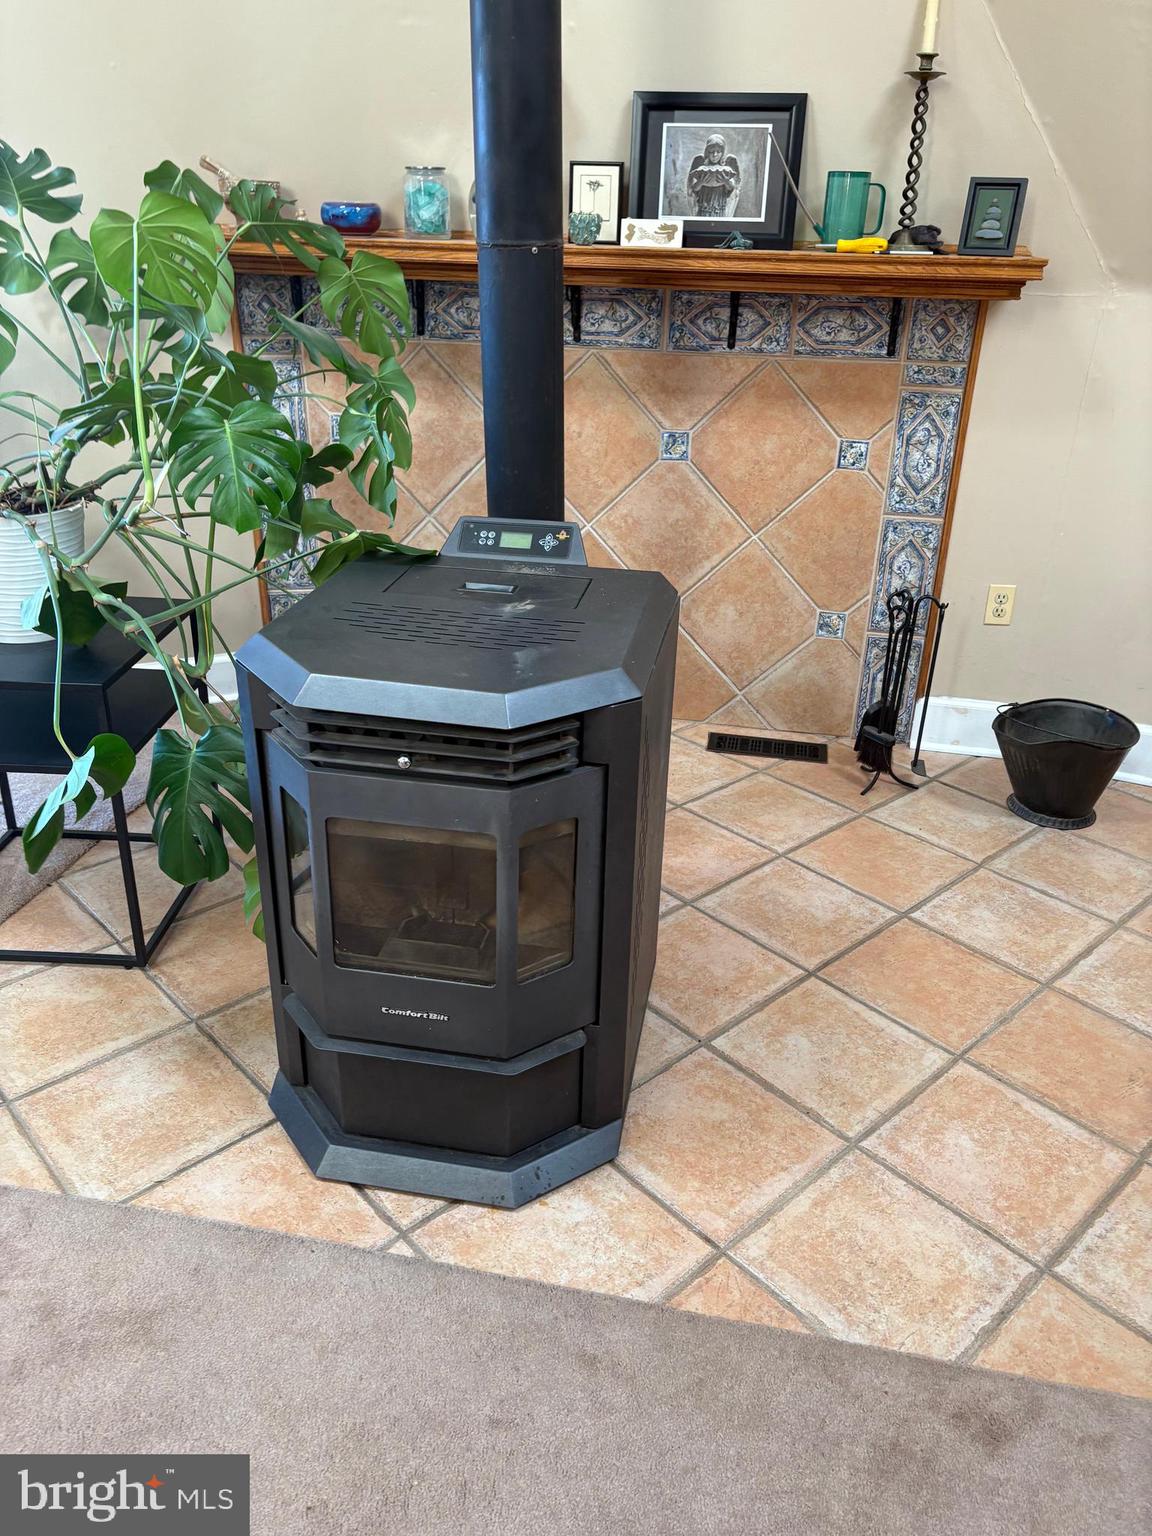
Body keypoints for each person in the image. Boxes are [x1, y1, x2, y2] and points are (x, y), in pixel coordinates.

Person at [687, 134, 741, 218]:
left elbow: (732, 189)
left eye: (718, 152)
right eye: (711, 151)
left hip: (719, 208)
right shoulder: (701, 168)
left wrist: (726, 181)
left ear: (722, 153)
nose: (714, 155)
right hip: (703, 207)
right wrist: (700, 182)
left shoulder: (726, 170)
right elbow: (694, 189)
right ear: (707, 152)